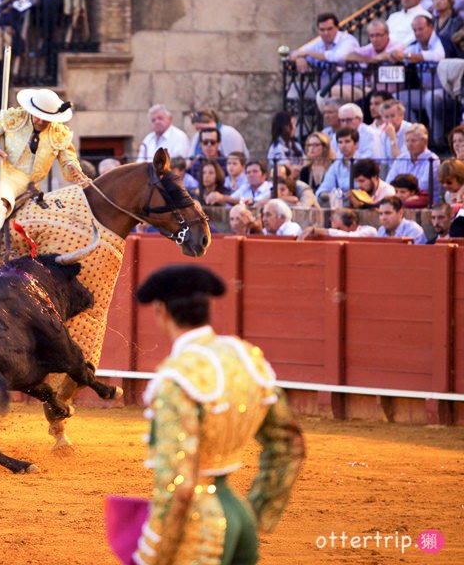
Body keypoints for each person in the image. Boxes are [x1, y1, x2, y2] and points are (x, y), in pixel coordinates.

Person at [132, 264, 304, 565]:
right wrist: (257, 513)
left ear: (162, 311)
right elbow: (290, 446)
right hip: (240, 515)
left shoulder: (176, 378)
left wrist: (153, 556)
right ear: (207, 308)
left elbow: (178, 483)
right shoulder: (245, 357)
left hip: (199, 524)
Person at [0, 88, 85, 283]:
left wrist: (74, 170)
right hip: (8, 177)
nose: (41, 121)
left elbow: (68, 165)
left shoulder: (59, 134)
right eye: (38, 116)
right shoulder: (13, 118)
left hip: (33, 187)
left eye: (46, 119)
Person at [298, 208, 378, 240]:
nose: (336, 232)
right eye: (334, 229)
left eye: (339, 229)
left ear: (352, 225)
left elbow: (351, 237)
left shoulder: (369, 231)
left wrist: (317, 230)